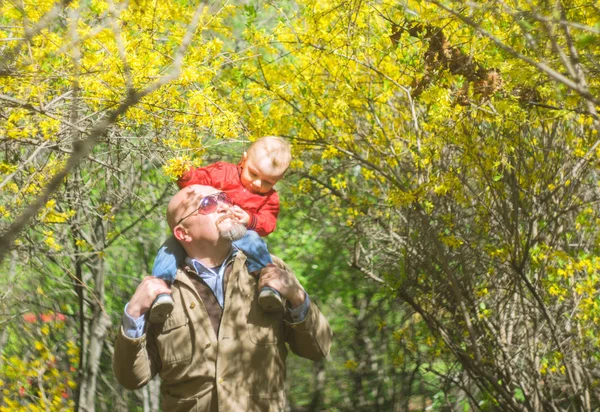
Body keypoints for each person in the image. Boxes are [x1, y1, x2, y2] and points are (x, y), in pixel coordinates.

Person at [113, 185, 332, 411]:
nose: (224, 207)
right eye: (208, 204)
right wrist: (134, 313)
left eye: (223, 198)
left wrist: (296, 295)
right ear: (183, 233)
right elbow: (131, 378)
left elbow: (319, 348)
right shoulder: (160, 292)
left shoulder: (269, 271)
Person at [150, 136, 292, 322]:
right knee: (170, 247)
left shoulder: (270, 198)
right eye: (254, 174)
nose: (258, 184)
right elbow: (197, 183)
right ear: (243, 160)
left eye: (268, 182)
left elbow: (268, 223)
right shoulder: (223, 173)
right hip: (208, 233)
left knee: (254, 242)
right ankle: (161, 287)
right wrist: (184, 172)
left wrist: (250, 219)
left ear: (277, 180)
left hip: (239, 232)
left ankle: (267, 283)